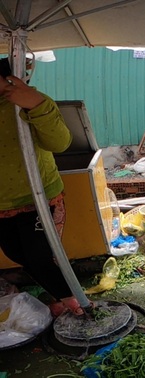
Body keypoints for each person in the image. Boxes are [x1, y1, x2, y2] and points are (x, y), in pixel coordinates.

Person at [0, 72, 85, 317]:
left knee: (40, 257)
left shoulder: (28, 100)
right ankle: (62, 296)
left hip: (37, 197)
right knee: (15, 252)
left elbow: (60, 144)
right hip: (2, 202)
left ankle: (77, 304)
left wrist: (36, 105)